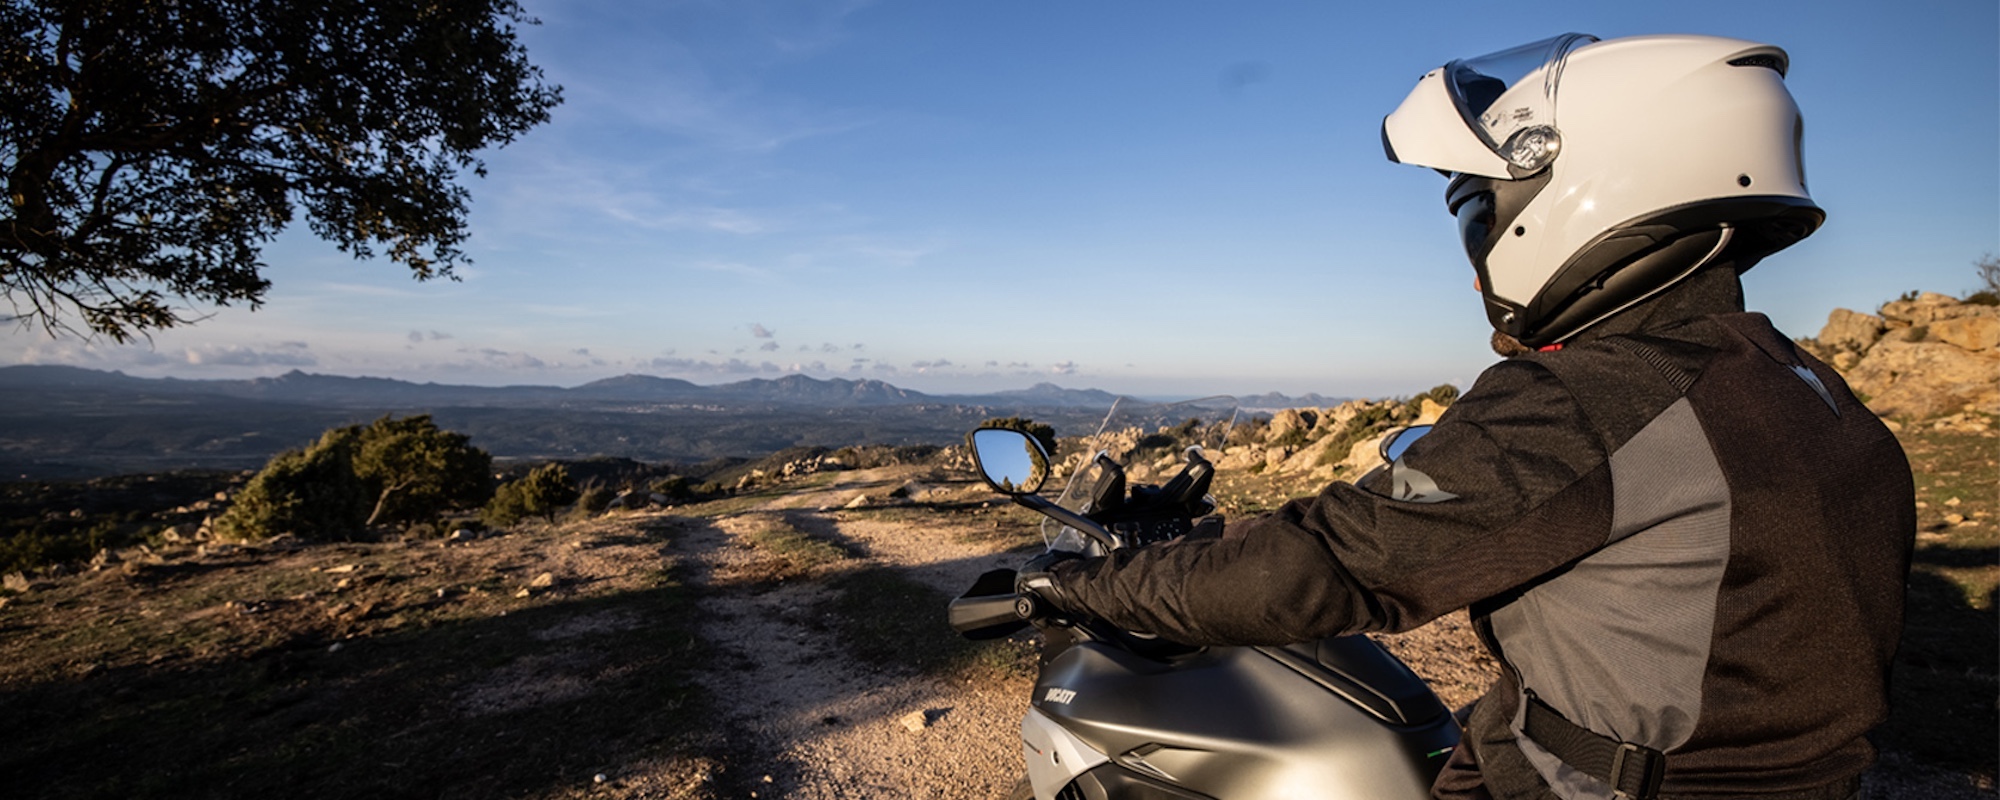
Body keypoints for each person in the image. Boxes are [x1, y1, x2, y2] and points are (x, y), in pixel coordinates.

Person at [1017, 33, 1913, 800]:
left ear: (1593, 186)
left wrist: (1079, 586)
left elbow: (1317, 569)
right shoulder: (1800, 384)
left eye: (1480, 212)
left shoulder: (1590, 399)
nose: (1476, 259)